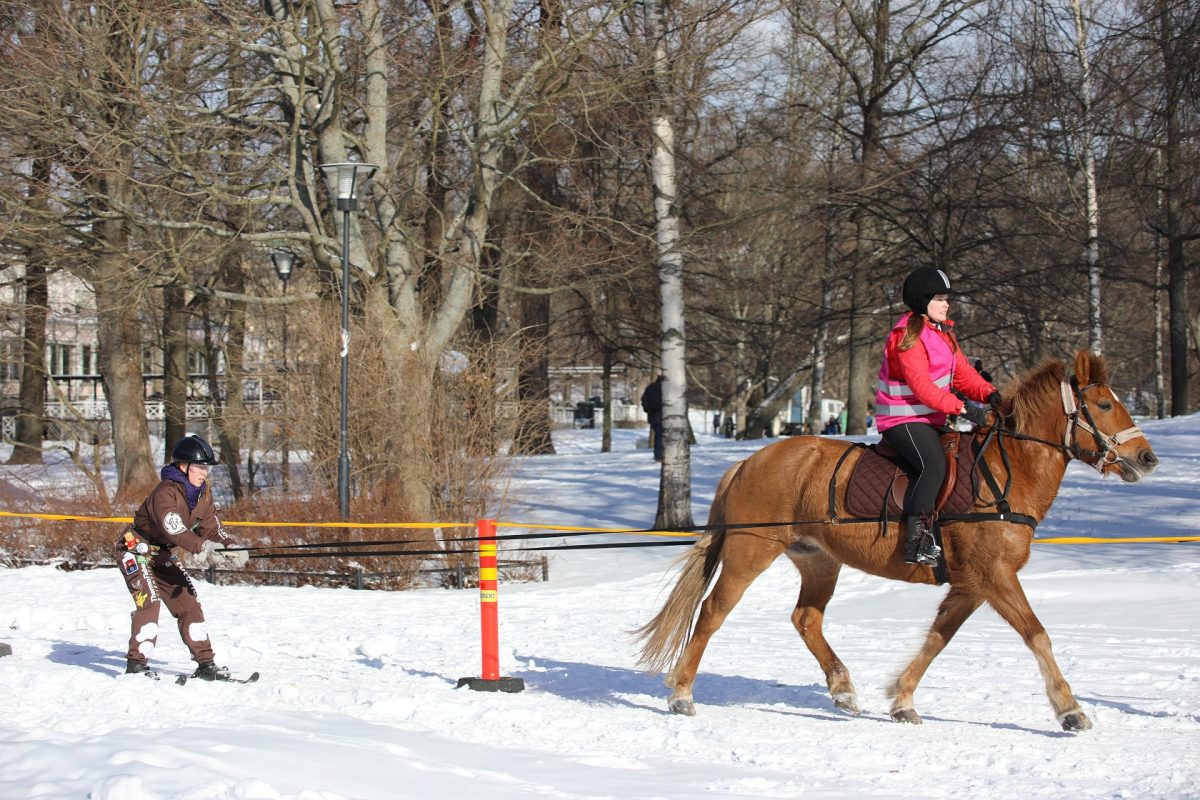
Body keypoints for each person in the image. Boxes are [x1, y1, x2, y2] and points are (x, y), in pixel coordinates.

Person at [875, 267, 1001, 566]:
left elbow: (963, 375)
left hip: (930, 421)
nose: (946, 304)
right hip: (901, 420)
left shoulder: (943, 334)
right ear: (923, 301)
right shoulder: (907, 336)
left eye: (947, 299)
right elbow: (922, 388)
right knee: (933, 464)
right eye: (940, 299)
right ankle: (916, 541)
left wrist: (990, 395)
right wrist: (963, 408)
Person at [116, 433, 248, 680]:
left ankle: (206, 664)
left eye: (206, 468)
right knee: (150, 602)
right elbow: (173, 526)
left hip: (162, 554)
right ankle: (136, 665)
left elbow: (210, 527)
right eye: (199, 467)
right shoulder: (165, 493)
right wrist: (201, 547)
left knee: (189, 601)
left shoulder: (202, 493)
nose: (204, 472)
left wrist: (229, 546)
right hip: (135, 549)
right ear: (182, 466)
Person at [640, 375, 664, 461]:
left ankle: (658, 454)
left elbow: (643, 401)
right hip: (663, 415)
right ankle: (660, 455)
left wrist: (648, 410)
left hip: (653, 416)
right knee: (662, 436)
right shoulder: (666, 389)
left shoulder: (650, 387)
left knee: (658, 436)